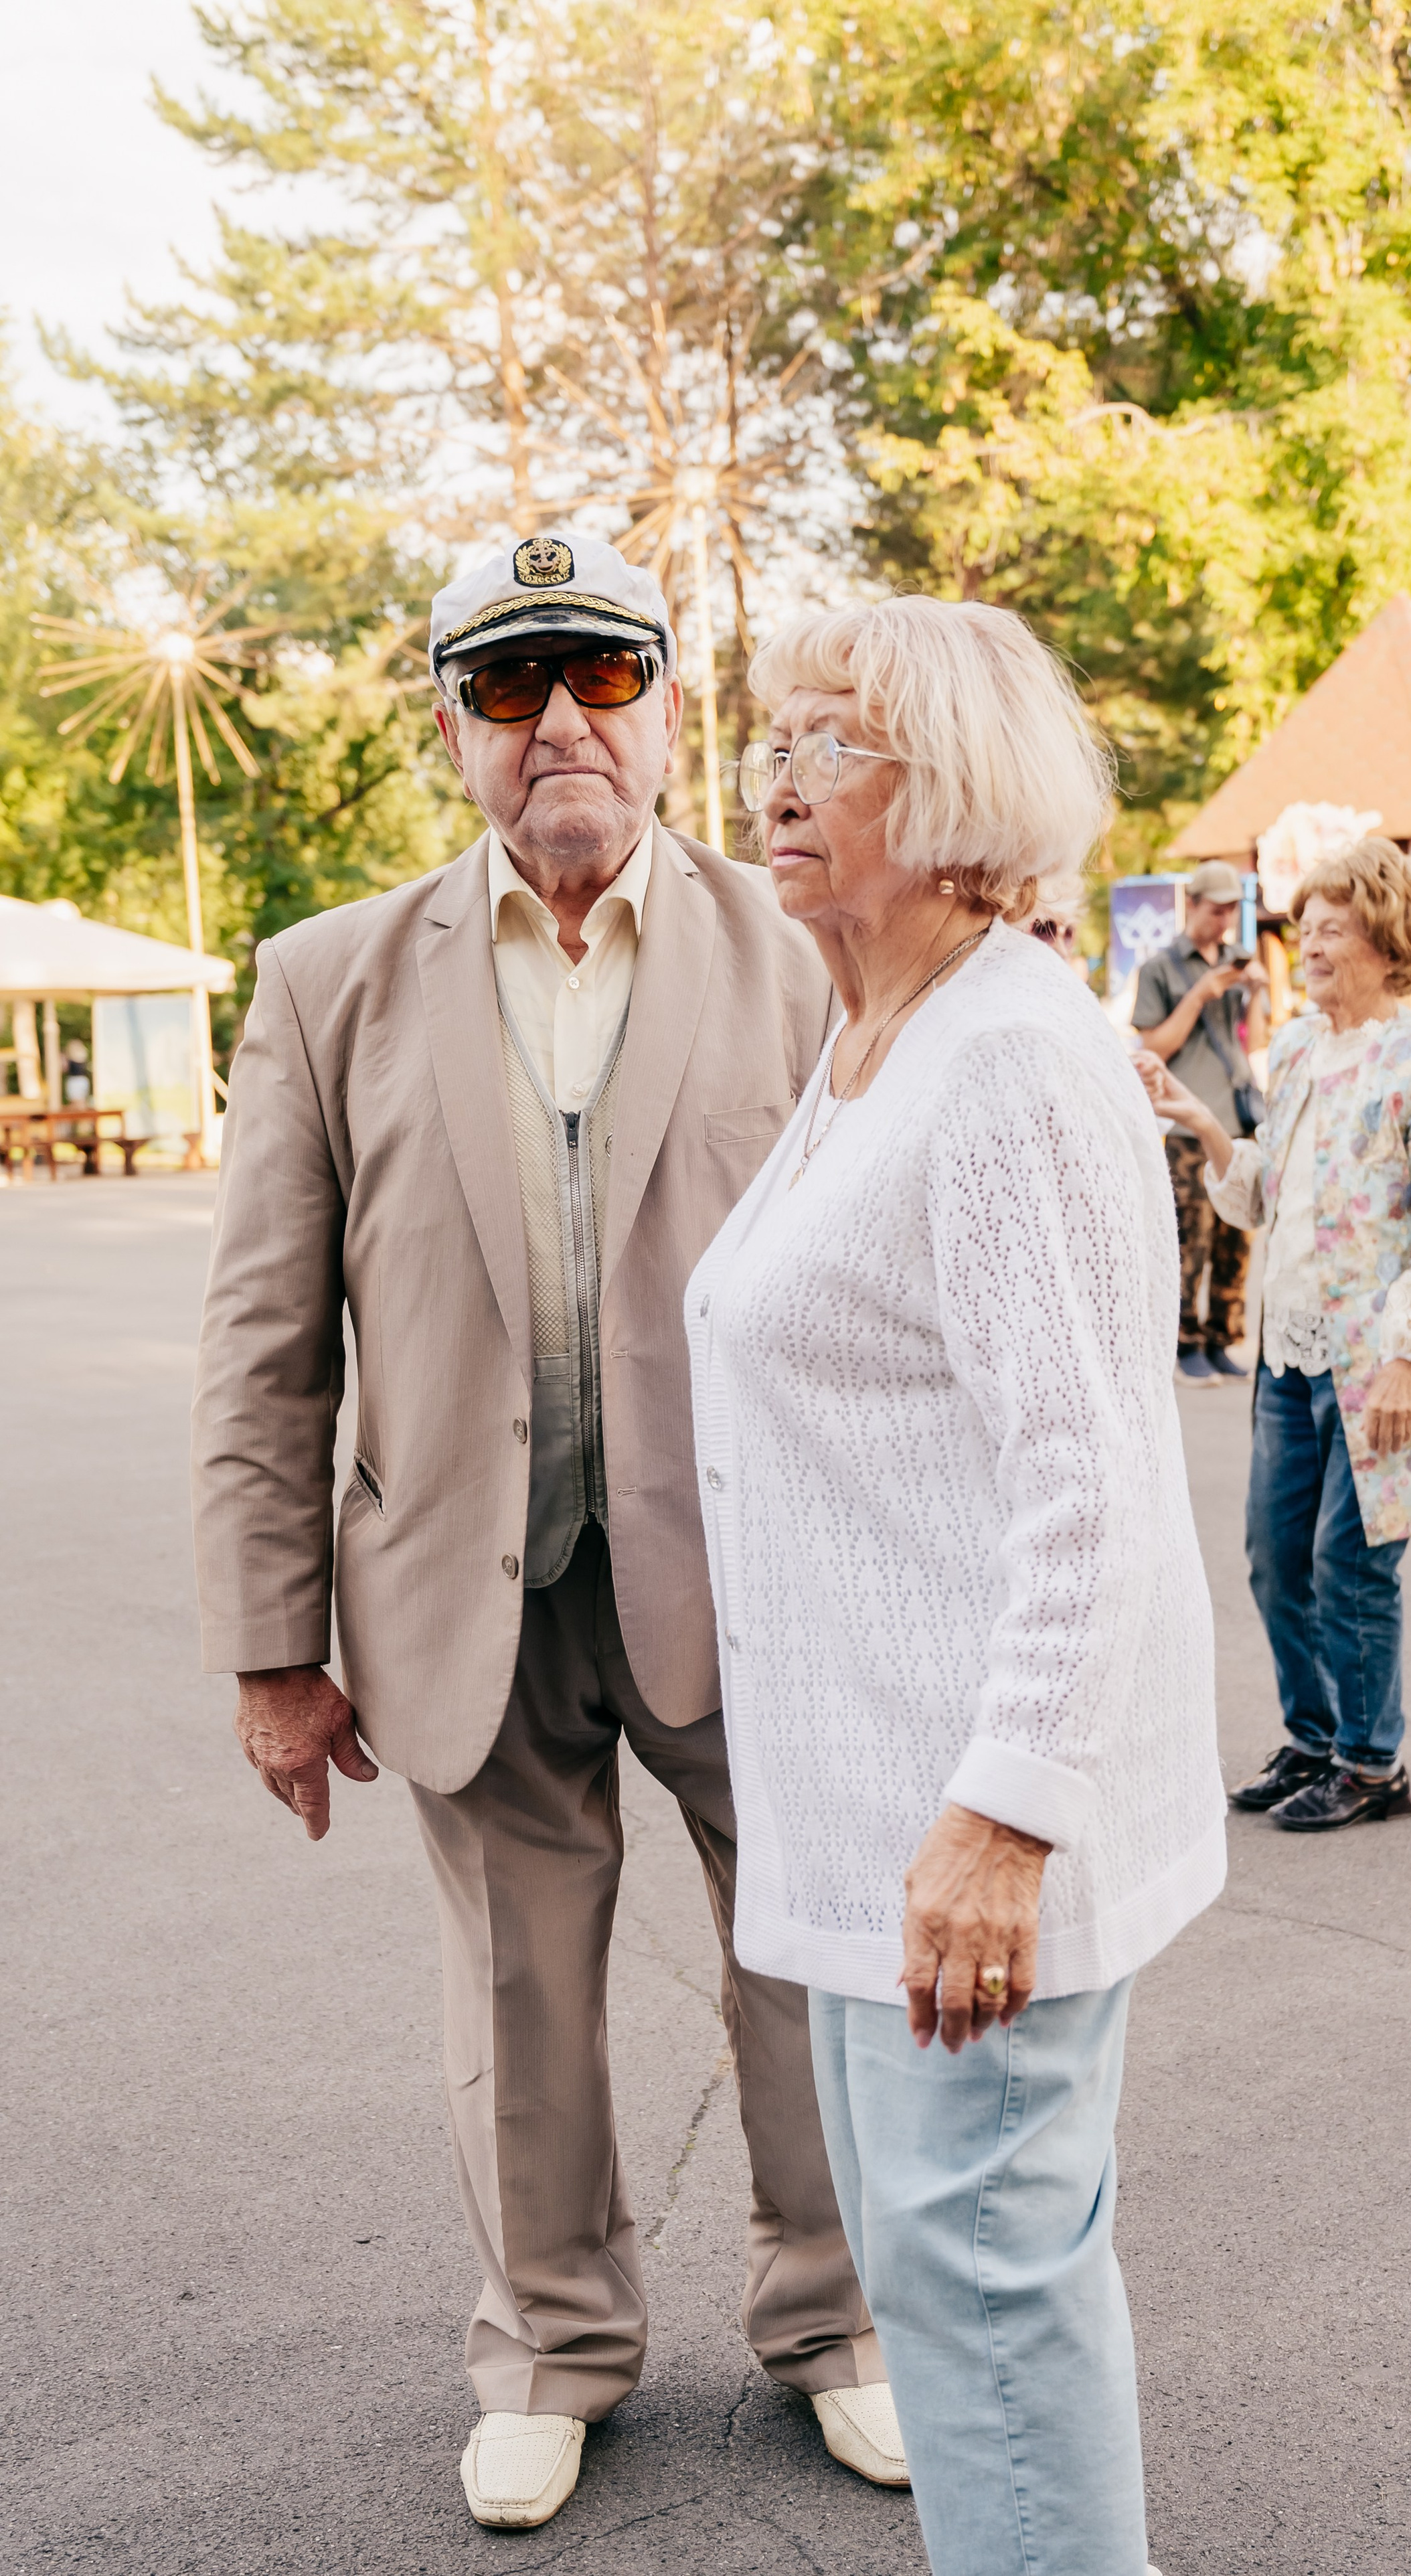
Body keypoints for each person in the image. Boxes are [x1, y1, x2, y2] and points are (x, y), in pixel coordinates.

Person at [190, 533, 904, 2534]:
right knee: (517, 1992)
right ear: (453, 730)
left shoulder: (805, 952)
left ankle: (840, 2322)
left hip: (765, 1582)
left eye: (602, 674)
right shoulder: (331, 978)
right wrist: (268, 1646)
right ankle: (551, 2348)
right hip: (455, 1586)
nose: (561, 722)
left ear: (672, 704)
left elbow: (893, 1288)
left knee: (808, 1965)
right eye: (508, 690)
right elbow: (267, 1333)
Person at [686, 596, 1226, 2576]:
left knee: (989, 2307)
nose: (777, 769)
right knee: (948, 2278)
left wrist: (1000, 1817)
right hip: (873, 1816)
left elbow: (1086, 1483)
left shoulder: (1007, 1057)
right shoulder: (874, 1036)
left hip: (962, 1844)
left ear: (960, 791)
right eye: (777, 731)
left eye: (836, 737)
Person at [1141, 834, 1411, 1831]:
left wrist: (1405, 1361)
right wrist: (1200, 1119)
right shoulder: (1302, 1047)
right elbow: (1267, 1191)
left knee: (1351, 1564)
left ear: (1385, 940)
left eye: (1329, 927)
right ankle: (1312, 1739)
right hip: (1288, 1349)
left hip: (1376, 1360)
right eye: (1301, 927)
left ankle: (1371, 1762)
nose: (1304, 944)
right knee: (1275, 1555)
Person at [1132, 859, 1268, 1383]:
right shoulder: (1162, 968)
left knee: (1237, 1239)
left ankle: (1220, 1338)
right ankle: (1183, 1339)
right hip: (1187, 1123)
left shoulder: (1237, 959)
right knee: (1191, 1241)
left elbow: (1253, 1040)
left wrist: (1256, 992)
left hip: (1235, 1117)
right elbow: (1155, 1045)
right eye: (1216, 910)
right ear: (1193, 905)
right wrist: (1200, 995)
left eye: (1233, 909)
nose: (1225, 921)